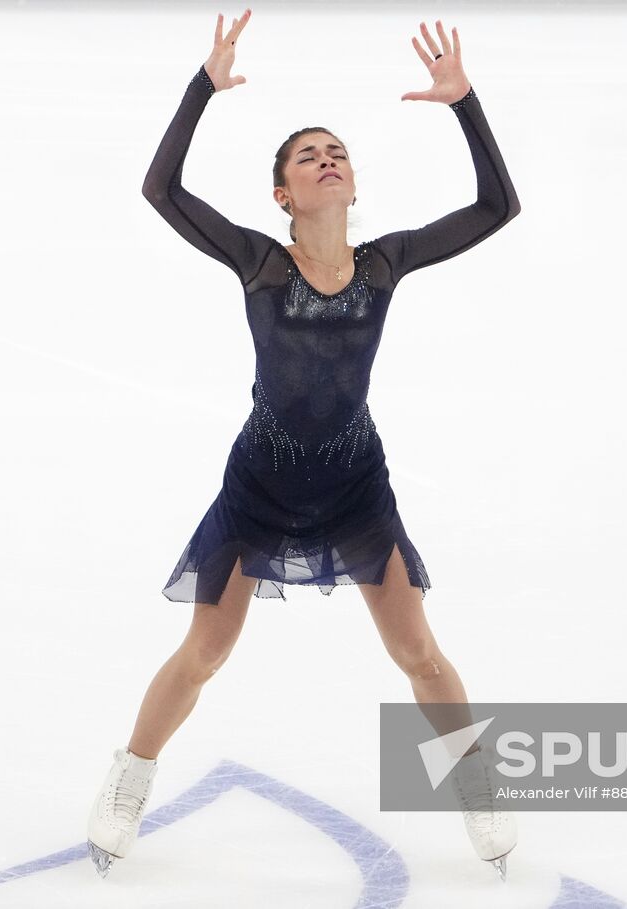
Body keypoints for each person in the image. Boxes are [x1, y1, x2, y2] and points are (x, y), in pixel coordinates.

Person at [87, 9, 522, 882]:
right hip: (260, 488)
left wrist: (465, 102)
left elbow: (496, 207)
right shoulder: (262, 264)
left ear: (353, 186)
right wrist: (201, 88)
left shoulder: (385, 263)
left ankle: (476, 786)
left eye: (337, 154)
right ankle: (128, 779)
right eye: (305, 156)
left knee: (415, 650)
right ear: (283, 195)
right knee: (207, 650)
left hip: (357, 486)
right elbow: (160, 191)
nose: (327, 160)